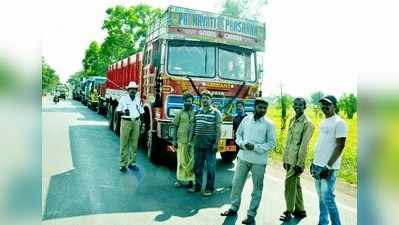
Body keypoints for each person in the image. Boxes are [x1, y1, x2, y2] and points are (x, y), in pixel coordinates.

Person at [221, 98, 276, 225]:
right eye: (260, 107)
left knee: (257, 189)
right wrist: (242, 144)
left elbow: (272, 143)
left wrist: (256, 147)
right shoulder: (246, 120)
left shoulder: (269, 124)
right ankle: (233, 208)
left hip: (259, 161)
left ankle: (251, 214)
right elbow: (238, 135)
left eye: (265, 108)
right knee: (236, 184)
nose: (262, 110)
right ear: (255, 107)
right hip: (243, 158)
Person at [310, 95, 347, 225]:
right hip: (317, 165)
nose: (325, 106)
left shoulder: (339, 122)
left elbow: (340, 145)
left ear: (335, 106)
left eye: (328, 104)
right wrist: (313, 161)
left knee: (328, 199)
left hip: (328, 168)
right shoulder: (323, 121)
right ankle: (322, 222)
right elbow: (322, 143)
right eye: (323, 104)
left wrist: (328, 166)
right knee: (321, 198)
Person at [279, 97, 314, 222]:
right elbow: (289, 141)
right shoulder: (292, 120)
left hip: (296, 161)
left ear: (305, 107)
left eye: (300, 104)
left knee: (289, 185)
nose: (297, 106)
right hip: (289, 158)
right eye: (295, 104)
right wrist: (284, 158)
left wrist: (300, 163)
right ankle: (300, 210)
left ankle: (288, 211)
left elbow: (304, 146)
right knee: (296, 184)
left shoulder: (308, 123)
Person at [188, 90, 222, 197]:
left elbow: (218, 129)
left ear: (211, 100)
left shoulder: (216, 112)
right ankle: (197, 186)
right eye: (203, 98)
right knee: (197, 167)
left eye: (207, 98)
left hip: (210, 145)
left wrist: (216, 143)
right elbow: (193, 127)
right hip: (198, 144)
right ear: (201, 100)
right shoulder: (197, 112)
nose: (205, 100)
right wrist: (190, 140)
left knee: (211, 168)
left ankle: (209, 188)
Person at [116, 81, 144, 172]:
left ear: (136, 90)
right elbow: (118, 111)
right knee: (124, 143)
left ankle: (132, 163)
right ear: (128, 90)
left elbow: (142, 112)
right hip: (126, 122)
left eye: (134, 89)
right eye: (131, 89)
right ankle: (123, 164)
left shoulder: (138, 99)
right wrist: (124, 112)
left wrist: (141, 123)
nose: (132, 90)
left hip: (136, 122)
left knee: (134, 144)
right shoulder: (123, 99)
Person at [172, 93, 195, 188]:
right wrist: (174, 140)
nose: (187, 103)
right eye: (186, 101)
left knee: (191, 162)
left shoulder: (195, 113)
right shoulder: (179, 113)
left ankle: (191, 180)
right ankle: (179, 180)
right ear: (183, 102)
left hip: (192, 141)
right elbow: (175, 126)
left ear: (192, 102)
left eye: (189, 101)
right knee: (181, 161)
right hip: (181, 140)